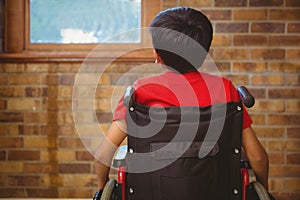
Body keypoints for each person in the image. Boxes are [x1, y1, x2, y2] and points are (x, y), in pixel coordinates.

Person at [94, 7, 269, 199]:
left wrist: (101, 190)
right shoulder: (225, 89)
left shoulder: (141, 92)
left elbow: (103, 155)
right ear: (205, 52)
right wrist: (265, 189)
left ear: (157, 55)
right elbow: (257, 157)